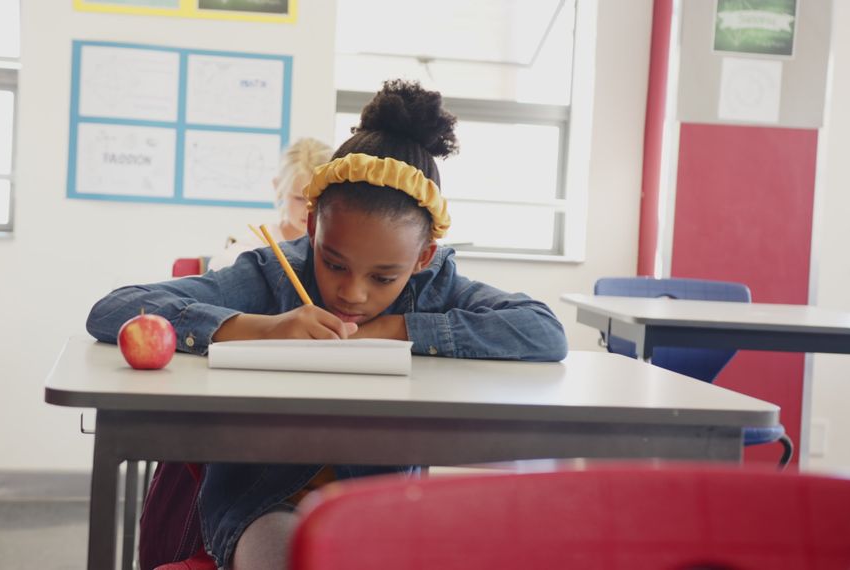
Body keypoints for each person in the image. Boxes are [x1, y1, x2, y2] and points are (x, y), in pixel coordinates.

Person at [86, 79, 569, 570]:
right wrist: (261, 328)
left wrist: (395, 329)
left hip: (381, 510)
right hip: (265, 504)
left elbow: (543, 331)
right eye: (334, 264)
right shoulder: (274, 273)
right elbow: (114, 309)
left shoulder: (435, 287)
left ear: (423, 257)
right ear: (313, 226)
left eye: (384, 277)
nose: (353, 294)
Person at [207, 137, 333, 270]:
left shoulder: (337, 246)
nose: (309, 210)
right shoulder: (258, 242)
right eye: (299, 198)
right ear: (278, 187)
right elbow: (217, 266)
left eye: (318, 199)